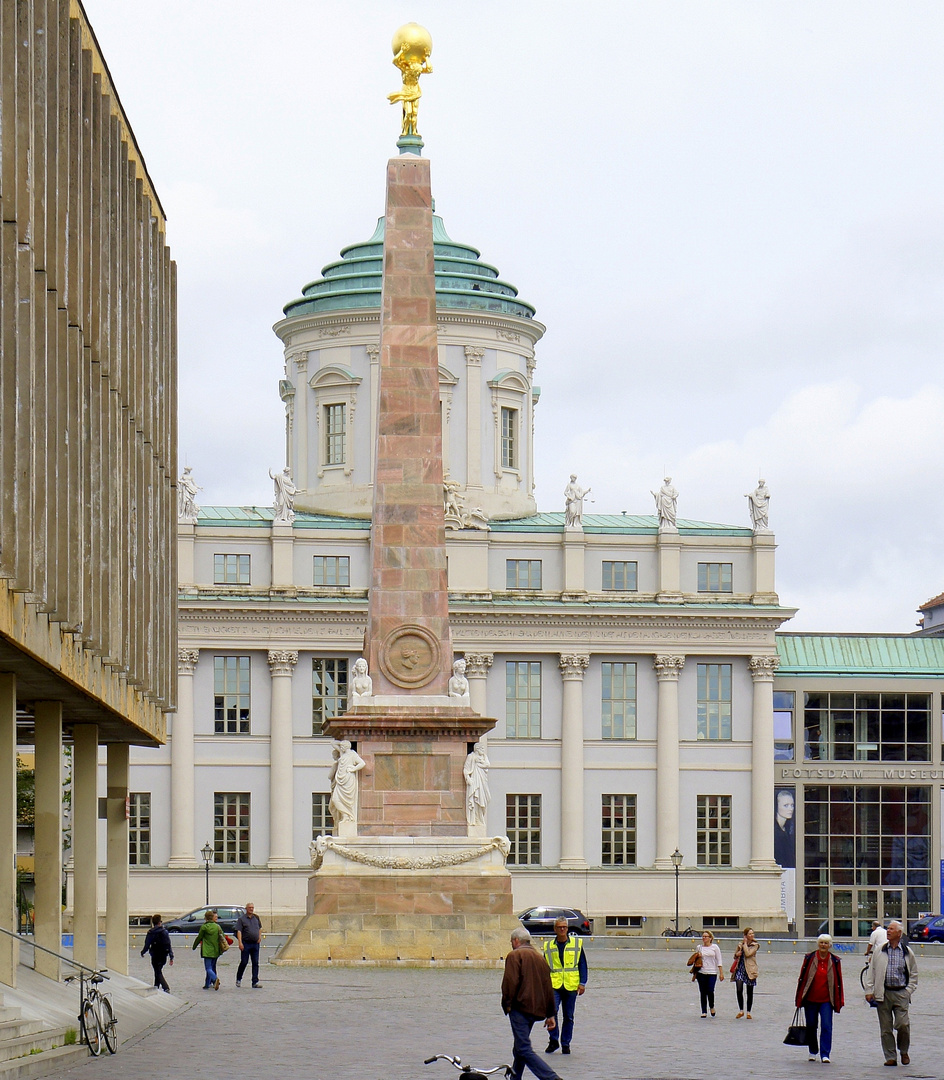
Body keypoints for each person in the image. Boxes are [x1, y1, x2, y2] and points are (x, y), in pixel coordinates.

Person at [501, 927, 562, 1080]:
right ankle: (515, 1077)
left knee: (523, 1048)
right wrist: (550, 1014)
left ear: (516, 941)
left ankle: (551, 1078)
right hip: (536, 1010)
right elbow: (549, 987)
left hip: (519, 1008)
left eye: (511, 942)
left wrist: (507, 1004)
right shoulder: (540, 958)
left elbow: (510, 982)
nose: (511, 944)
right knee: (519, 1048)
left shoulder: (515, 955)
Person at [863, 919, 917, 1067]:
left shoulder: (907, 952)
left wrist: (908, 991)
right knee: (886, 1028)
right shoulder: (880, 950)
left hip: (901, 993)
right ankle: (890, 1057)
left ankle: (904, 1050)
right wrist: (869, 990)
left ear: (899, 933)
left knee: (903, 1024)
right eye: (888, 929)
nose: (888, 931)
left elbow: (913, 974)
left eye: (892, 929)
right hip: (883, 993)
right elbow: (871, 972)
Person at [795, 932, 844, 1064]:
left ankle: (825, 1053)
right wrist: (799, 997)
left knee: (827, 1026)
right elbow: (802, 978)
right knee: (811, 1026)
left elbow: (839, 982)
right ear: (818, 944)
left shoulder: (834, 960)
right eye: (821, 942)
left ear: (829, 945)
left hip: (827, 1000)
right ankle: (812, 1051)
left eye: (826, 943)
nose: (823, 945)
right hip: (811, 999)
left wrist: (840, 1000)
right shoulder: (810, 958)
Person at [541, 918, 588, 1054]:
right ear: (555, 929)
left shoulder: (576, 944)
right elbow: (544, 966)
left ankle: (566, 1043)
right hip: (554, 985)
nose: (562, 929)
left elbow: (582, 964)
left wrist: (582, 983)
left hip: (571, 985)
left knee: (568, 1016)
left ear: (567, 929)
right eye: (559, 927)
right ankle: (553, 1040)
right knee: (552, 1012)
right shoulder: (548, 946)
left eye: (564, 927)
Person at [328, 739, 366, 825]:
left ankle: (348, 816)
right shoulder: (343, 753)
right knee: (335, 799)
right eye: (340, 746)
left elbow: (362, 763)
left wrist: (354, 768)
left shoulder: (353, 755)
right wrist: (342, 742)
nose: (340, 747)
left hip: (348, 779)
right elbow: (333, 743)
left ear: (346, 747)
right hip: (341, 779)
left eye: (342, 746)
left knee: (344, 800)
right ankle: (346, 815)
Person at [192, 909, 225, 990]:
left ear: (206, 918)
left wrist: (194, 946)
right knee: (212, 966)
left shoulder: (204, 927)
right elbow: (222, 936)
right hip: (215, 949)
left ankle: (215, 979)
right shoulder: (217, 927)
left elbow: (199, 937)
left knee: (208, 968)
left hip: (207, 950)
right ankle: (207, 984)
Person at [693, 930, 724, 1017]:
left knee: (710, 990)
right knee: (703, 992)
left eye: (706, 936)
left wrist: (721, 973)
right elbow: (696, 960)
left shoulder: (715, 947)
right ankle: (704, 1011)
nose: (704, 938)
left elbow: (719, 960)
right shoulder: (699, 947)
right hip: (701, 972)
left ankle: (711, 1006)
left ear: (710, 938)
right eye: (703, 936)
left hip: (712, 972)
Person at [140, 913, 174, 993]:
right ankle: (156, 987)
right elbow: (168, 944)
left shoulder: (151, 932)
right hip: (163, 955)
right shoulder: (164, 932)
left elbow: (147, 944)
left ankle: (165, 987)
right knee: (158, 970)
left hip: (155, 954)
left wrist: (143, 952)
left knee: (157, 971)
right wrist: (171, 956)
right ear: (160, 922)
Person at [731, 926, 758, 1018]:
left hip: (750, 970)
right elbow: (735, 956)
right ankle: (741, 1010)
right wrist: (736, 954)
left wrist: (745, 944)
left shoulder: (755, 945)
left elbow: (747, 954)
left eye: (752, 933)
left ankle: (749, 1012)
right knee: (739, 989)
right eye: (750, 933)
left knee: (749, 992)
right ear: (745, 935)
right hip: (740, 969)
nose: (752, 935)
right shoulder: (740, 944)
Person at [235, 901, 263, 988]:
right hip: (246, 943)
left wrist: (259, 937)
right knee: (244, 962)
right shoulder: (242, 919)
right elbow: (239, 931)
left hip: (255, 943)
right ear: (246, 909)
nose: (251, 909)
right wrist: (240, 942)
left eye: (252, 908)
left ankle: (255, 981)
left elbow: (259, 928)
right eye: (249, 907)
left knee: (255, 963)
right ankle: (239, 978)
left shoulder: (256, 918)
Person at [463, 742, 490, 827]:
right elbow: (466, 769)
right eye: (482, 748)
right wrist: (468, 778)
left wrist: (481, 761)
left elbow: (487, 765)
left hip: (482, 781)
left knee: (486, 798)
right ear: (477, 749)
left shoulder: (484, 757)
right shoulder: (471, 756)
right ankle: (475, 819)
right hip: (475, 781)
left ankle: (480, 818)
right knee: (475, 799)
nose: (483, 750)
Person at [774, 788, 796, 869]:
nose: (790, 809)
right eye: (786, 805)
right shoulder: (774, 832)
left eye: (792, 805)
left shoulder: (789, 829)